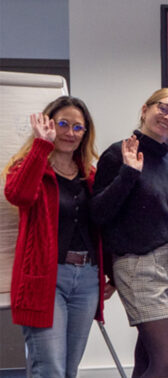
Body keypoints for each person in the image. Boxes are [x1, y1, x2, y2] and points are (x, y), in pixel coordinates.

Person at [91, 88, 168, 377]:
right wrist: (129, 173)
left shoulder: (164, 165)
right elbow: (99, 215)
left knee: (148, 359)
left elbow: (163, 226)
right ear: (145, 109)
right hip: (139, 265)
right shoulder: (119, 154)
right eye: (164, 108)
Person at [3, 96, 114, 377]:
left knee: (68, 369)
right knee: (49, 368)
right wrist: (41, 147)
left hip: (87, 279)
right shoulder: (31, 166)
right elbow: (19, 195)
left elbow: (103, 226)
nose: (70, 133)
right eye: (63, 124)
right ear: (48, 124)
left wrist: (109, 274)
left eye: (78, 128)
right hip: (46, 279)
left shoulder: (90, 175)